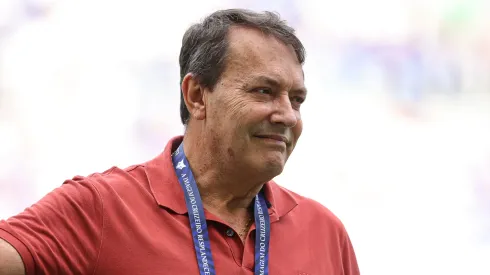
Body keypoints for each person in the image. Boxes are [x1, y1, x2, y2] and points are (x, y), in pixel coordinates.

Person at [0, 9, 360, 275]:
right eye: (264, 91)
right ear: (197, 96)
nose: (288, 116)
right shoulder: (103, 208)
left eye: (296, 99)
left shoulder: (325, 231)